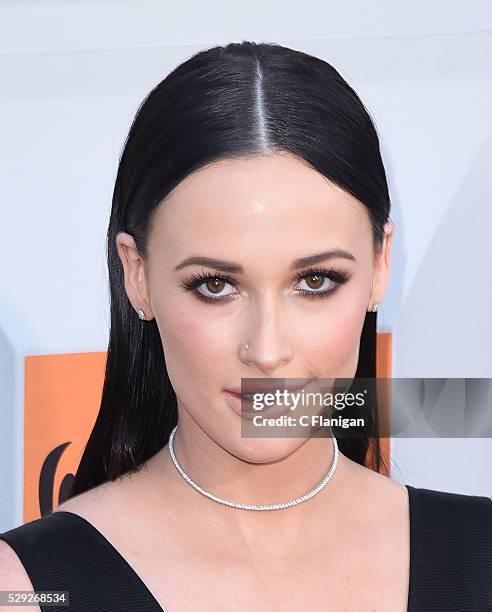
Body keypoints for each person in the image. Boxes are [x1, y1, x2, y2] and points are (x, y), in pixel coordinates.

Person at [1, 40, 491, 612]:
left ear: (381, 264)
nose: (267, 350)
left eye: (315, 282)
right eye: (215, 285)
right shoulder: (27, 590)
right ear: (137, 275)